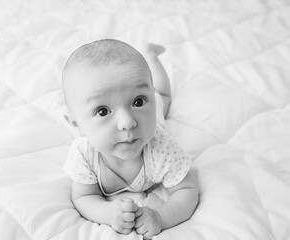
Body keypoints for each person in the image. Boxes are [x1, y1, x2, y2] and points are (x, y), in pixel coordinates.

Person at [62, 39, 199, 239]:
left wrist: (161, 218)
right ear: (76, 125)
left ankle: (150, 56)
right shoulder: (84, 154)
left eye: (139, 101)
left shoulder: (162, 148)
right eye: (102, 111)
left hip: (156, 121)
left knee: (163, 98)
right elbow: (84, 196)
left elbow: (187, 190)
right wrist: (106, 213)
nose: (128, 122)